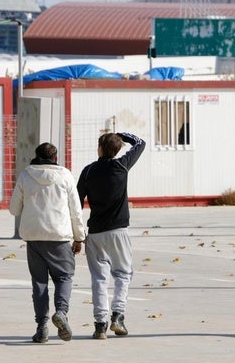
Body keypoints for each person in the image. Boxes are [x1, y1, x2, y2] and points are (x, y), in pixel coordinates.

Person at [9, 142, 86, 343]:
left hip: (34, 237)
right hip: (59, 236)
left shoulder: (26, 175)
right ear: (55, 158)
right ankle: (61, 312)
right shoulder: (65, 175)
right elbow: (75, 210)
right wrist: (79, 237)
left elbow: (13, 209)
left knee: (39, 282)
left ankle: (41, 327)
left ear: (36, 156)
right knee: (63, 277)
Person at [77, 132, 146, 340]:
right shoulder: (122, 165)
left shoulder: (88, 171)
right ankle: (118, 315)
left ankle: (100, 324)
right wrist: (122, 135)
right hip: (119, 231)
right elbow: (140, 143)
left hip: (96, 232)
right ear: (117, 150)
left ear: (99, 148)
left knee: (99, 278)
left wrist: (76, 234)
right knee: (123, 274)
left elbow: (76, 202)